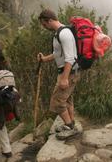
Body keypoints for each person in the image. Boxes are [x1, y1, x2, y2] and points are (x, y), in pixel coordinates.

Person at [37, 9, 80, 140]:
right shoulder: (58, 33)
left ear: (49, 20)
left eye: (44, 24)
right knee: (66, 100)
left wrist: (64, 78)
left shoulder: (64, 33)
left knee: (56, 102)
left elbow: (70, 58)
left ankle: (70, 127)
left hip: (69, 73)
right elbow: (57, 54)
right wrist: (44, 59)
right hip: (67, 72)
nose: (44, 27)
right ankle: (70, 124)